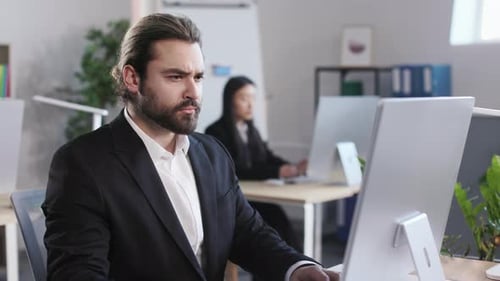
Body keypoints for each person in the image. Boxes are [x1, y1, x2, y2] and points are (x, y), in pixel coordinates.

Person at [42, 13, 339, 281]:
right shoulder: (83, 164)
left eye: (197, 77)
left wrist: (297, 268)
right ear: (133, 78)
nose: (193, 92)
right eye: (175, 77)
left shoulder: (212, 154)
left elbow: (248, 233)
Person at [205, 76, 306, 254]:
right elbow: (236, 169)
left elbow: (266, 157)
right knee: (271, 224)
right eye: (244, 98)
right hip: (232, 202)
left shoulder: (251, 130)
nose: (250, 105)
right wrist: (278, 171)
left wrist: (293, 168)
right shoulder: (215, 131)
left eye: (253, 98)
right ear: (230, 100)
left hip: (255, 198)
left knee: (278, 222)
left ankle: (299, 266)